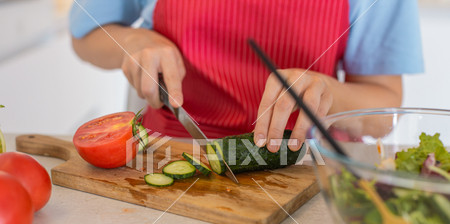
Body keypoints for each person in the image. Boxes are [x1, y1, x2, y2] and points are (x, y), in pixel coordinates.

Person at [70, 0, 423, 152]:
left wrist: (327, 92)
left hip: (309, 170)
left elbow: (384, 113)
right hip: (167, 152)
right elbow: (84, 36)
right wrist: (131, 40)